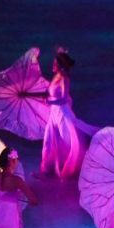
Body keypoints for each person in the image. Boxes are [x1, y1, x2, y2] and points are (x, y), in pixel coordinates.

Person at [40, 48, 95, 180]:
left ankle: (75, 167)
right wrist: (27, 94)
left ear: (60, 65)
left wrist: (50, 101)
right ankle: (45, 170)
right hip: (53, 114)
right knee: (48, 141)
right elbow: (49, 94)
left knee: (67, 141)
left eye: (55, 63)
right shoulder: (55, 77)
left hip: (62, 114)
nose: (53, 65)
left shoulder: (64, 78)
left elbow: (64, 99)